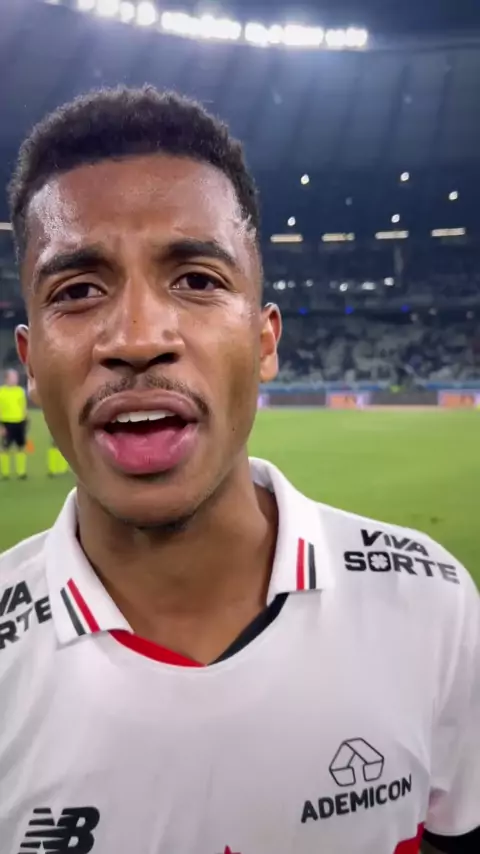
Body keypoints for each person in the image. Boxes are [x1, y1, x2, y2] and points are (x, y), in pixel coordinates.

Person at [0, 87, 478, 854]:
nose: (138, 338)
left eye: (197, 280)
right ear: (30, 362)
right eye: (78, 291)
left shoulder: (434, 607)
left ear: (264, 342)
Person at [0, 367, 28, 480]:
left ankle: (21, 472)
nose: (15, 379)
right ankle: (5, 473)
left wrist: (25, 421)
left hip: (19, 422)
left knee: (21, 447)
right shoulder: (1, 392)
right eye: (13, 377)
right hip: (6, 423)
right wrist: (1, 426)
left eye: (16, 377)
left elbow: (23, 407)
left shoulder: (20, 391)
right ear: (6, 379)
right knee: (4, 448)